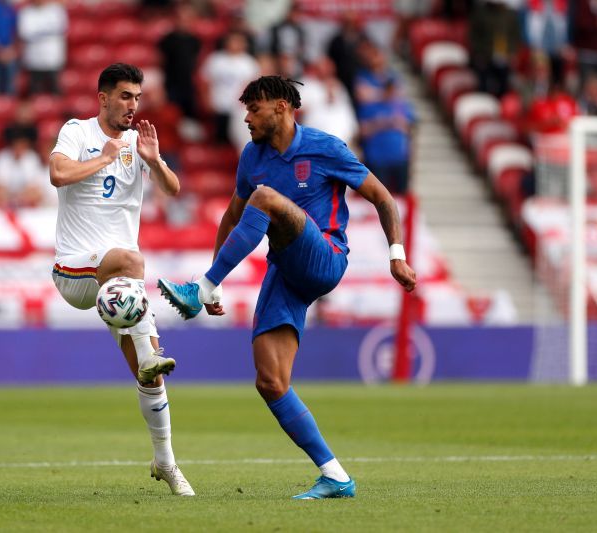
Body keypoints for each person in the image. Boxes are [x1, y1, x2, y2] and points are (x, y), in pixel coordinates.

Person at [157, 76, 417, 499]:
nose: (245, 118)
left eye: (253, 109)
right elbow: (231, 217)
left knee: (265, 198)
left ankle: (198, 292)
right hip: (286, 268)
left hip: (325, 257)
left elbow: (383, 197)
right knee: (270, 381)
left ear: (281, 106)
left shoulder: (325, 146)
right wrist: (218, 279)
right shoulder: (252, 156)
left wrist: (397, 255)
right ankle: (335, 476)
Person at [48, 63, 194, 496]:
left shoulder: (137, 141)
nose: (133, 105)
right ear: (104, 98)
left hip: (117, 284)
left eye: (137, 97)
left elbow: (173, 189)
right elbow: (57, 174)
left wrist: (154, 162)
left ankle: (166, 462)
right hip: (75, 270)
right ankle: (148, 346)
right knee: (131, 259)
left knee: (149, 374)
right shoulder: (77, 132)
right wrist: (103, 158)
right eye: (126, 96)